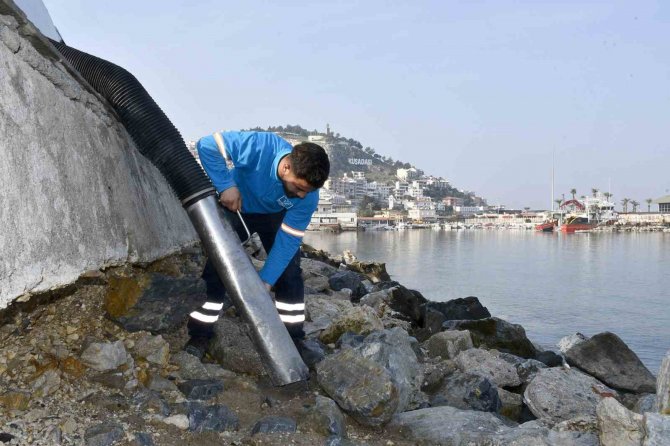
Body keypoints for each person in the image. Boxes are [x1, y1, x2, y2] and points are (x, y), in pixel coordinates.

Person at [185, 130, 330, 358]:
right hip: (239, 207)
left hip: (275, 216)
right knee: (217, 268)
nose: (303, 196)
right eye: (299, 188)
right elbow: (207, 144)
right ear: (286, 169)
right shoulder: (260, 146)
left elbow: (288, 240)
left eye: (308, 191)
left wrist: (266, 280)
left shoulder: (308, 197)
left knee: (290, 275)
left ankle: (293, 338)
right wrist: (225, 185)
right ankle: (200, 334)